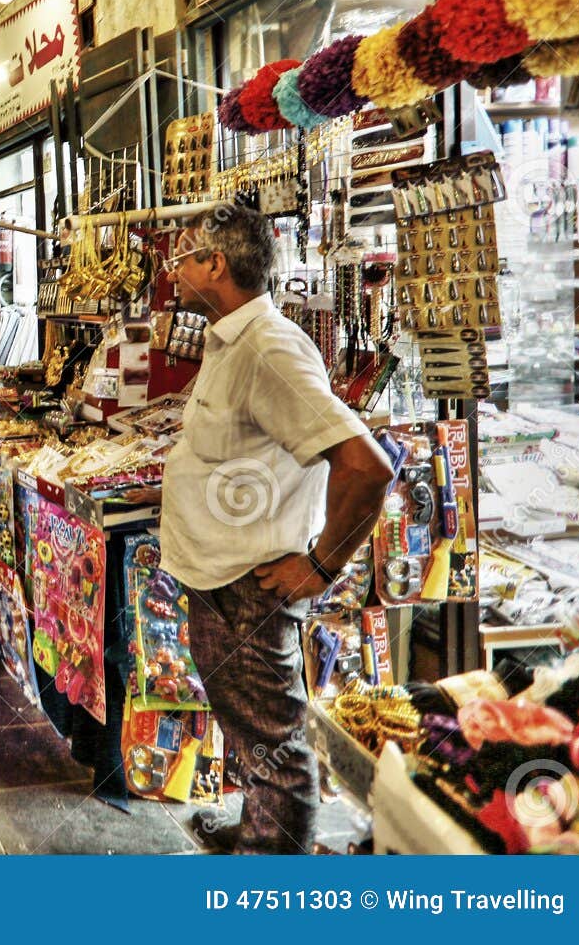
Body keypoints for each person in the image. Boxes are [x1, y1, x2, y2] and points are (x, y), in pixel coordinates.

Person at [156, 204, 392, 854]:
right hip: (221, 580)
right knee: (249, 725)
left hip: (252, 590)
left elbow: (365, 469)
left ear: (216, 263)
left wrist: (318, 566)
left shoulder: (269, 347)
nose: (173, 268)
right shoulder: (232, 340)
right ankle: (259, 826)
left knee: (275, 738)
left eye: (184, 255)